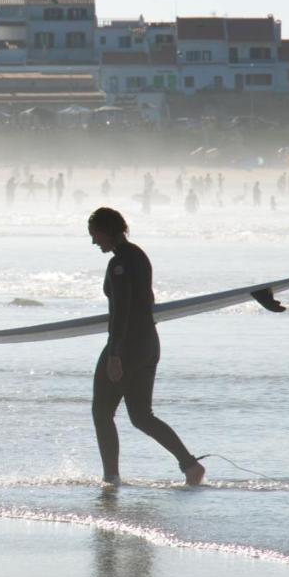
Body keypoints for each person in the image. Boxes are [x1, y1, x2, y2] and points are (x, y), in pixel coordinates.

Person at [87, 207, 205, 487]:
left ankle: (111, 478)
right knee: (141, 416)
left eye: (96, 235)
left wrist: (115, 354)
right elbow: (146, 301)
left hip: (126, 346)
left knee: (101, 412)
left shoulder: (118, 264)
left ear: (108, 230)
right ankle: (190, 466)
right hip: (148, 343)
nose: (94, 242)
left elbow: (122, 310)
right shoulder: (139, 255)